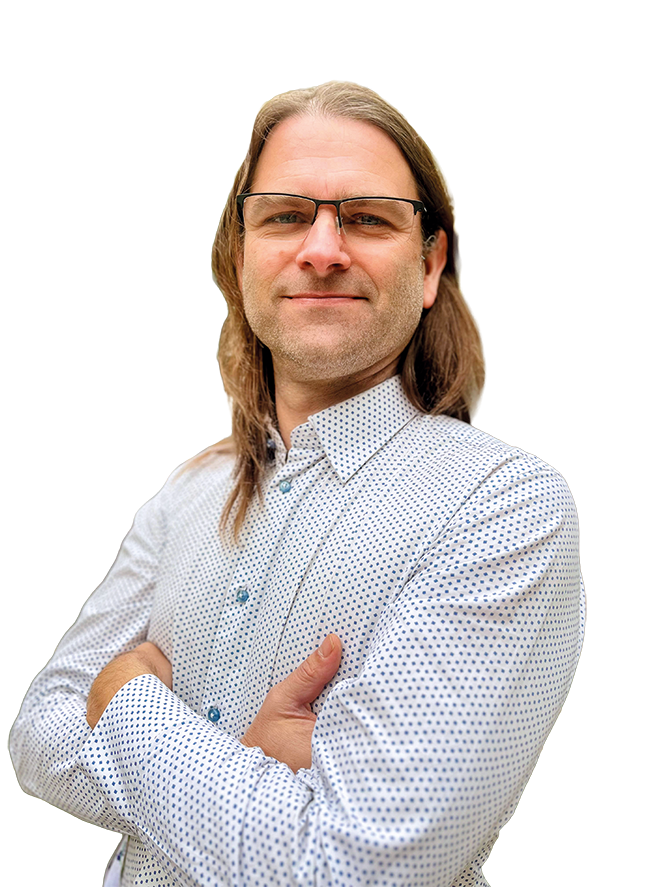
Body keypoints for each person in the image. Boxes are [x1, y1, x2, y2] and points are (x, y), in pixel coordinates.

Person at [10, 82, 585, 887]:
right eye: (284, 215)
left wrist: (132, 705)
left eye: (367, 217)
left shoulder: (502, 506)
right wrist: (255, 780)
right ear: (240, 256)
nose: (321, 249)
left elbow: (357, 867)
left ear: (429, 265)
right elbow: (39, 735)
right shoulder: (184, 493)